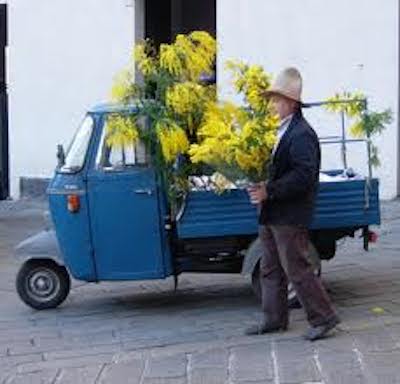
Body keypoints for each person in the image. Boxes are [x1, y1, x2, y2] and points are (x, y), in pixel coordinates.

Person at [246, 67, 340, 341]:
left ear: (291, 102)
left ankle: (324, 318)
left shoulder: (301, 134)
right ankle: (274, 318)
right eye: (272, 100)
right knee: (270, 267)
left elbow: (303, 176)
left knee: (297, 268)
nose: (272, 105)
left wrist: (269, 191)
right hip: (273, 211)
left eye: (276, 100)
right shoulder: (281, 131)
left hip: (289, 214)